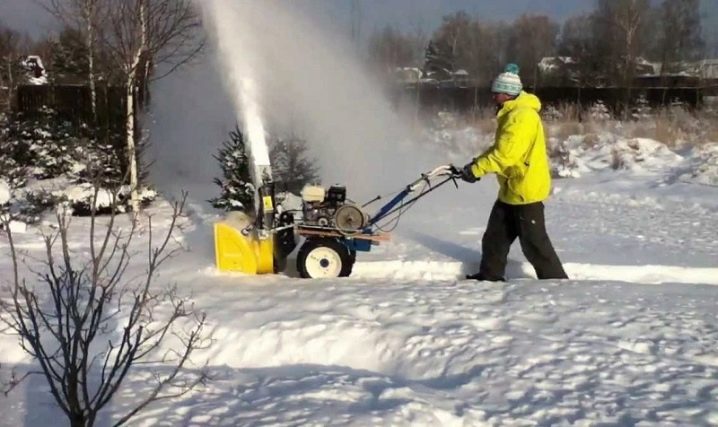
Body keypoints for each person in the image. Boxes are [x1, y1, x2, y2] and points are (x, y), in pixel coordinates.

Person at [460, 63, 568, 281]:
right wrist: (476, 164)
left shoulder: (521, 117)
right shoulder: (511, 113)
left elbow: (506, 156)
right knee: (494, 238)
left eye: (496, 93)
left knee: (535, 245)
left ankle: (557, 285)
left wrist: (478, 170)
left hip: (525, 190)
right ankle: (490, 277)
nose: (492, 97)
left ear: (506, 94)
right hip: (511, 188)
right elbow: (500, 148)